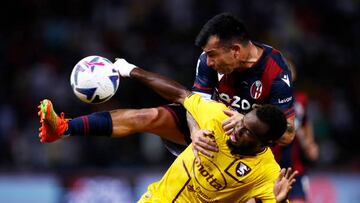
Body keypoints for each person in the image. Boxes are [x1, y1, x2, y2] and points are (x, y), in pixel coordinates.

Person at [38, 13, 295, 160]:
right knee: (147, 116)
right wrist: (195, 133)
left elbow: (288, 134)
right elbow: (194, 102)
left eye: (214, 55)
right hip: (205, 129)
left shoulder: (275, 70)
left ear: (236, 50)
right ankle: (63, 128)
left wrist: (247, 120)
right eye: (207, 55)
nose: (209, 61)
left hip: (245, 150)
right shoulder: (207, 61)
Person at [40, 66, 298, 202]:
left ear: (267, 143)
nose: (237, 128)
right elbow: (183, 95)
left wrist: (278, 200)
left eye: (247, 131)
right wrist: (132, 70)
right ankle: (64, 128)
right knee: (147, 116)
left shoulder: (266, 173)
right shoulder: (220, 117)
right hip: (155, 200)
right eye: (242, 121)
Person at [271, 60, 319, 203]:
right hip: (270, 166)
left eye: (289, 71)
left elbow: (305, 122)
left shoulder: (301, 99)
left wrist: (310, 143)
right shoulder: (266, 100)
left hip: (294, 167)